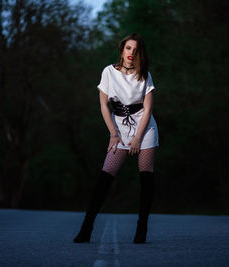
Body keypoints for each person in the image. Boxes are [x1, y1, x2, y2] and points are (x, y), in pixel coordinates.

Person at [73, 33, 159, 244]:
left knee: (145, 176)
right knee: (106, 175)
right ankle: (86, 229)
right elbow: (104, 105)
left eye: (136, 50)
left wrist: (138, 138)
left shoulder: (145, 74)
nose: (132, 53)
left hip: (144, 128)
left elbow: (147, 109)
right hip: (118, 128)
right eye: (128, 48)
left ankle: (141, 229)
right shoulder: (109, 72)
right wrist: (113, 134)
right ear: (122, 50)